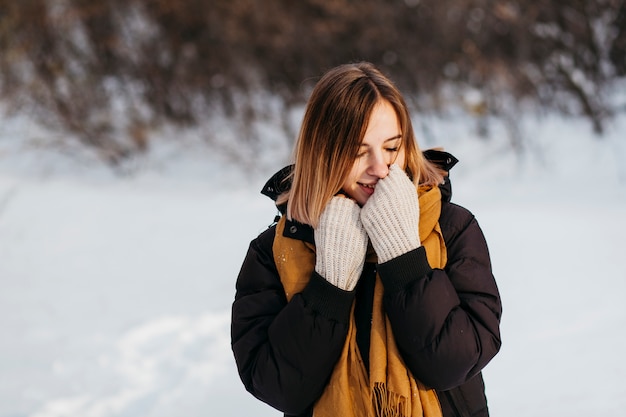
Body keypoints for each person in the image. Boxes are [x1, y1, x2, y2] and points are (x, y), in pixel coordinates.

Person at [231, 62, 502, 417]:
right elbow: (277, 386)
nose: (380, 167)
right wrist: (330, 284)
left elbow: (453, 363)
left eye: (391, 148)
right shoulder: (275, 251)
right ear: (322, 154)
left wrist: (404, 254)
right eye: (359, 152)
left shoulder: (450, 228)